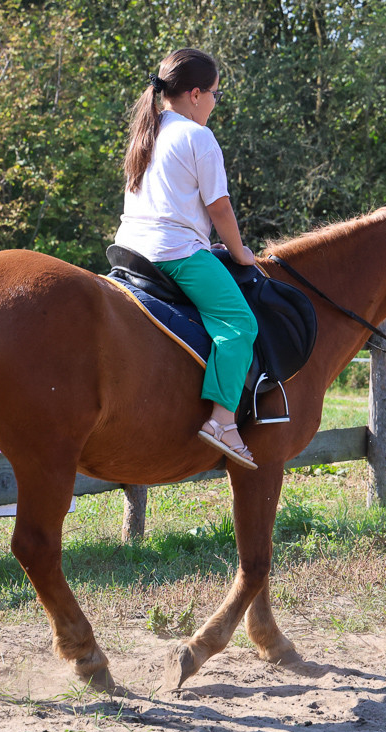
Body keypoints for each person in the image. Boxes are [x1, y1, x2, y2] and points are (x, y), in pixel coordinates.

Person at [114, 48, 259, 470]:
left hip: (128, 249)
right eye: (215, 93)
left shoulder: (148, 130)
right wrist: (240, 252)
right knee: (240, 324)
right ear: (195, 94)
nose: (215, 102)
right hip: (174, 254)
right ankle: (222, 421)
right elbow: (219, 209)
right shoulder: (198, 137)